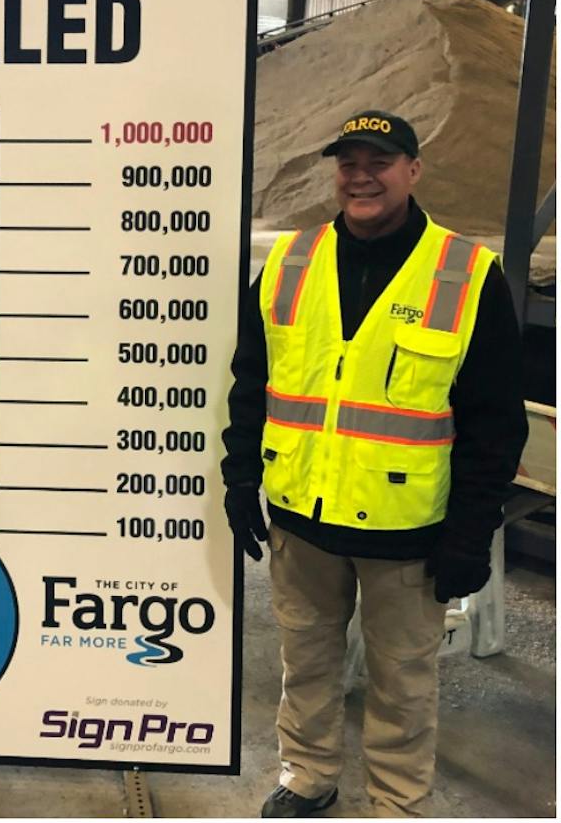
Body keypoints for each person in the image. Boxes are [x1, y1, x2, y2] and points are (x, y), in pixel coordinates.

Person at [222, 109, 526, 818]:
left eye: (379, 161)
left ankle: (397, 801)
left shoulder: (465, 273)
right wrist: (240, 477)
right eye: (348, 162)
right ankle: (308, 775)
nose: (361, 176)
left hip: (409, 532)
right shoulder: (292, 262)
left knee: (403, 681)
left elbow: (494, 424)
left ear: (412, 171)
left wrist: (470, 533)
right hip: (303, 518)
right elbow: (251, 379)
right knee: (308, 662)